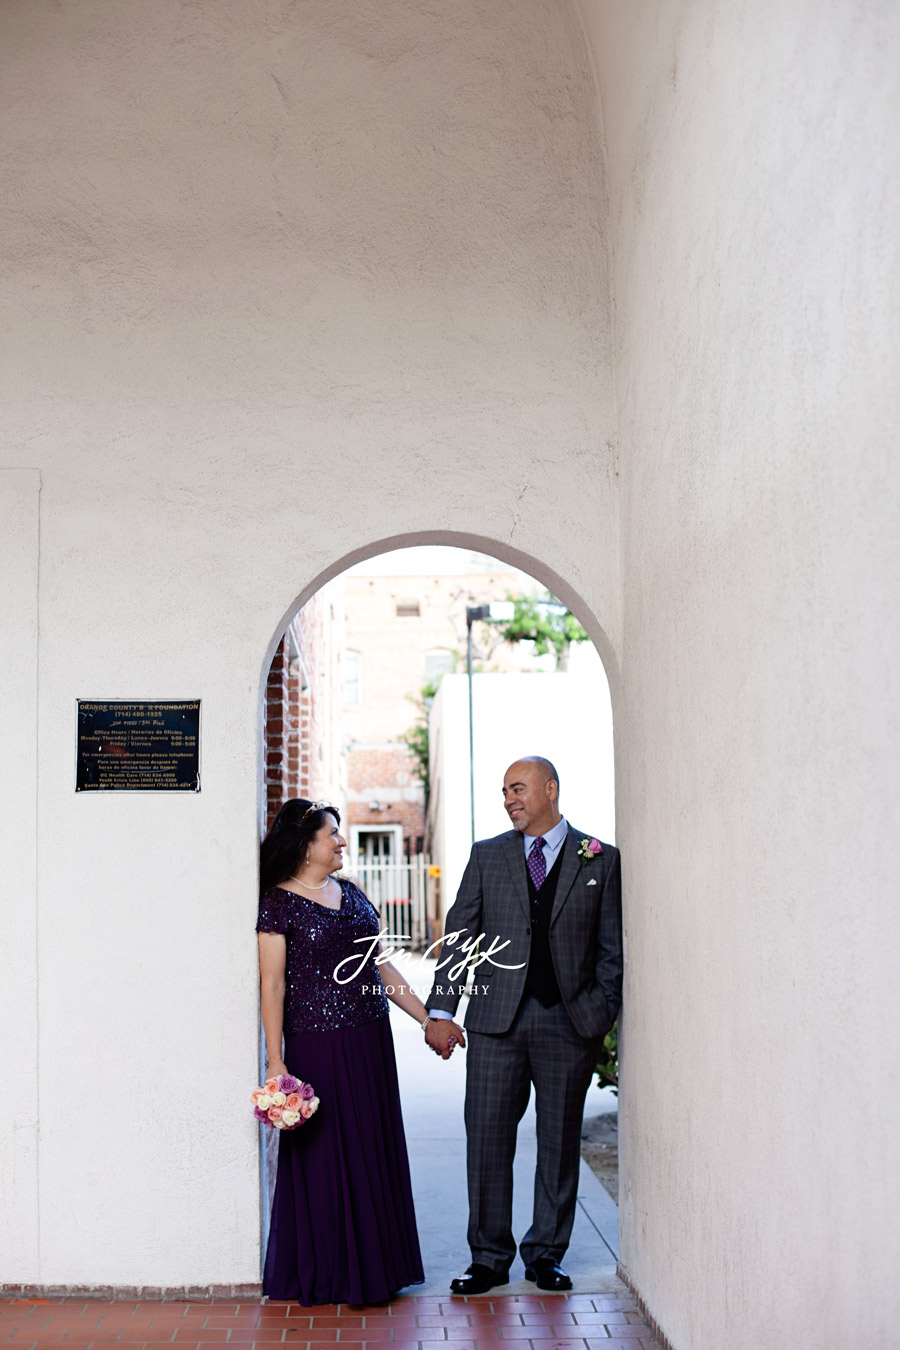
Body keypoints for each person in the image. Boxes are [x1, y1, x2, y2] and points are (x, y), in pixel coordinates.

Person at [424, 756, 622, 1295]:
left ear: (550, 790)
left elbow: (611, 948)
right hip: (495, 1024)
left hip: (569, 1022)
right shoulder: (488, 856)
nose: (509, 798)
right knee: (486, 1139)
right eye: (504, 791)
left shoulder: (599, 859)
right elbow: (460, 935)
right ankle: (488, 1257)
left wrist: (599, 1011)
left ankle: (546, 1253)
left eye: (518, 788)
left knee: (559, 1142)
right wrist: (441, 1012)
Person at [257, 797, 439, 1305]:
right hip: (315, 1045)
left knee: (371, 1149)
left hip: (370, 1041)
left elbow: (380, 967)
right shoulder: (277, 902)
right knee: (325, 1158)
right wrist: (276, 1060)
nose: (340, 841)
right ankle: (333, 1271)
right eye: (331, 834)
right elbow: (272, 986)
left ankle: (380, 1266)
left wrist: (427, 1020)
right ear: (304, 845)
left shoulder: (354, 894)